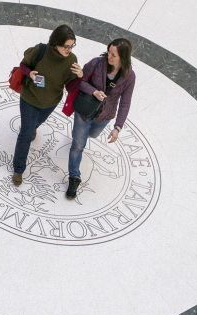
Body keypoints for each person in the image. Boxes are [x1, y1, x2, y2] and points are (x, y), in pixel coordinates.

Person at [13, 25, 84, 186]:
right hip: (29, 98)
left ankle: (34, 127)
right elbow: (23, 64)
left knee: (35, 124)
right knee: (25, 133)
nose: (69, 49)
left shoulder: (71, 61)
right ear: (55, 43)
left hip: (50, 102)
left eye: (72, 46)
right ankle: (18, 169)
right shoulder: (40, 50)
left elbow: (70, 87)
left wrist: (80, 76)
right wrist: (29, 73)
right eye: (66, 46)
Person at [66, 38, 136, 199]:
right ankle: (74, 177)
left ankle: (79, 135)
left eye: (114, 55)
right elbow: (80, 82)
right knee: (78, 145)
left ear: (123, 57)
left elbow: (125, 103)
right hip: (84, 111)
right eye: (109, 52)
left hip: (104, 117)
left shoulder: (129, 77)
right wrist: (93, 92)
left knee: (93, 134)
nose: (109, 57)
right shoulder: (96, 63)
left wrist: (118, 127)